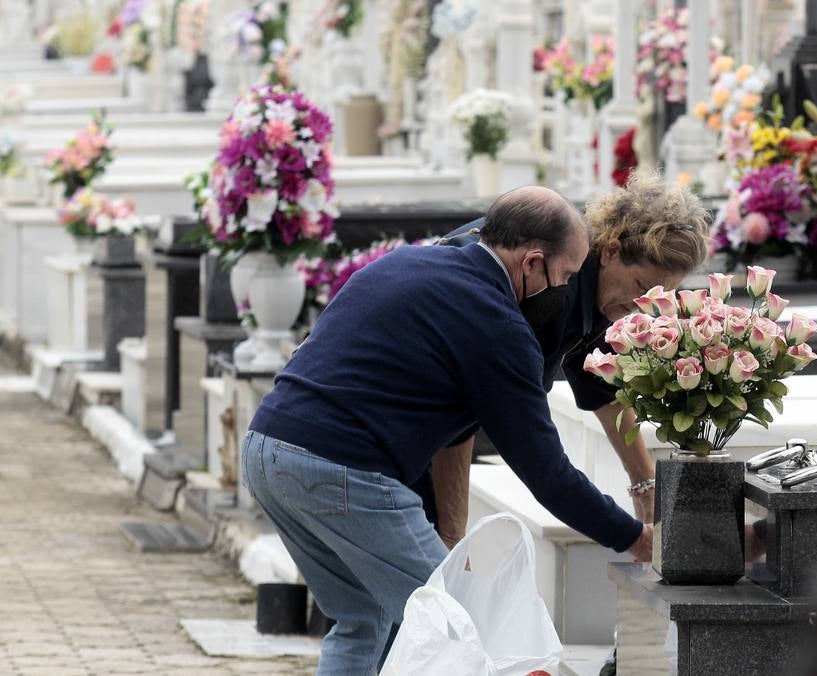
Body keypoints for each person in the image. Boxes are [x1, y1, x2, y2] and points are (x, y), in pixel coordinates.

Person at [244, 187, 650, 676]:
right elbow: (546, 472)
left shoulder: (410, 263)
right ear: (532, 264)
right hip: (344, 470)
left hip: (267, 449)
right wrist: (632, 536)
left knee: (363, 619)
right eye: (565, 276)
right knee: (461, 628)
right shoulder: (498, 324)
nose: (566, 291)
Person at [431, 170, 712, 533]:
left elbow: (602, 387)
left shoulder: (601, 285)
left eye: (658, 296)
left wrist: (646, 490)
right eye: (642, 286)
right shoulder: (551, 288)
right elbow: (464, 419)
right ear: (611, 250)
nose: (644, 307)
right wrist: (453, 534)